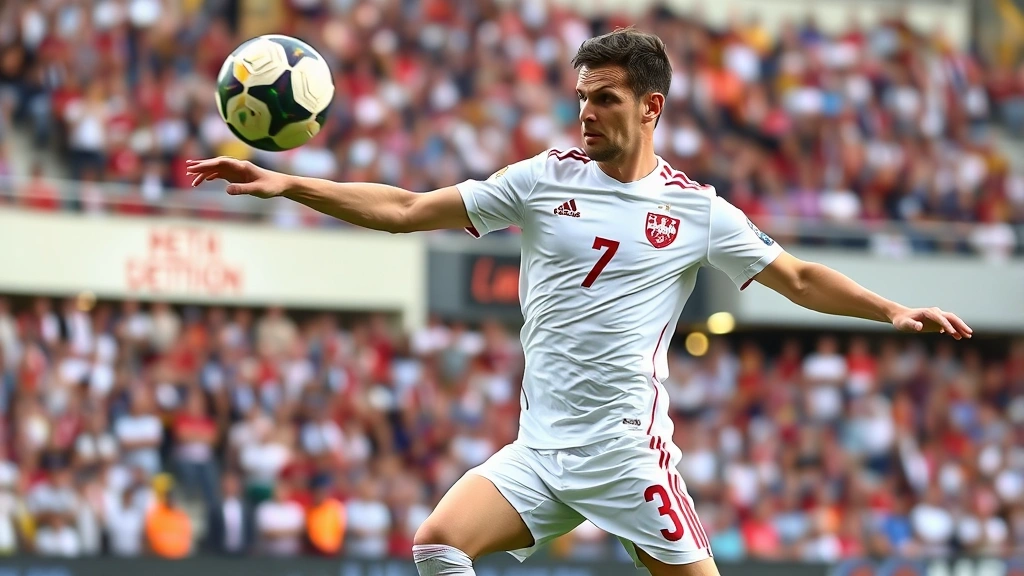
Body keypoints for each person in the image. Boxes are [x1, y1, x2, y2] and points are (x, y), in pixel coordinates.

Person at [186, 28, 972, 576]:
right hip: (540, 451)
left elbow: (797, 278)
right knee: (437, 544)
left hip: (629, 456)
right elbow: (403, 209)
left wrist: (894, 310)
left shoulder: (698, 212)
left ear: (650, 109)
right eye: (582, 97)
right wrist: (288, 183)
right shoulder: (542, 178)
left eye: (603, 99)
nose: (585, 113)